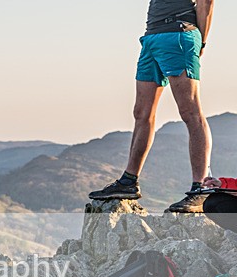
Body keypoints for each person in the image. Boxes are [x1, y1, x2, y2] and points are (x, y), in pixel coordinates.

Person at [89, 0, 215, 213]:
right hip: (152, 37)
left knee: (190, 111)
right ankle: (129, 181)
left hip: (180, 34)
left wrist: (201, 41)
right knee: (141, 112)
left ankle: (200, 189)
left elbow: (207, 2)